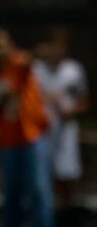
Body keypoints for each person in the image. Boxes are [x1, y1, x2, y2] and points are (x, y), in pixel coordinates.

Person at [0, 29, 57, 227]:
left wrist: (36, 52)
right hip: (7, 140)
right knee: (11, 192)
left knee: (38, 188)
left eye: (4, 44)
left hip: (31, 135)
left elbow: (29, 59)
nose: (1, 49)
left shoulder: (18, 63)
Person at [33, 27, 89, 208]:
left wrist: (70, 112)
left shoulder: (74, 70)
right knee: (44, 177)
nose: (57, 51)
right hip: (42, 132)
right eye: (53, 46)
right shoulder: (36, 70)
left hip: (66, 132)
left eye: (61, 46)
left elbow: (83, 101)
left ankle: (67, 216)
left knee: (68, 175)